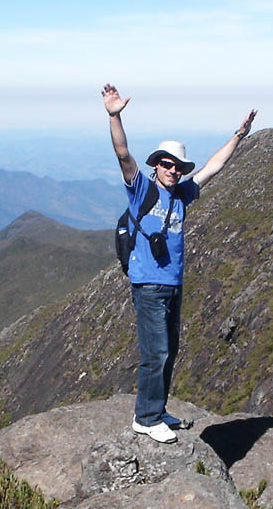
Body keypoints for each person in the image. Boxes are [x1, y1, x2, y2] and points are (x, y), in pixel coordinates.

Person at [102, 83, 256, 443]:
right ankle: (146, 416)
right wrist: (114, 116)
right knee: (155, 351)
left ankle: (158, 408)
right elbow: (123, 154)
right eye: (166, 164)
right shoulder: (142, 187)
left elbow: (214, 167)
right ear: (156, 165)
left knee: (169, 350)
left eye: (177, 166)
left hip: (173, 283)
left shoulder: (183, 194)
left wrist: (239, 135)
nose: (172, 170)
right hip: (148, 284)